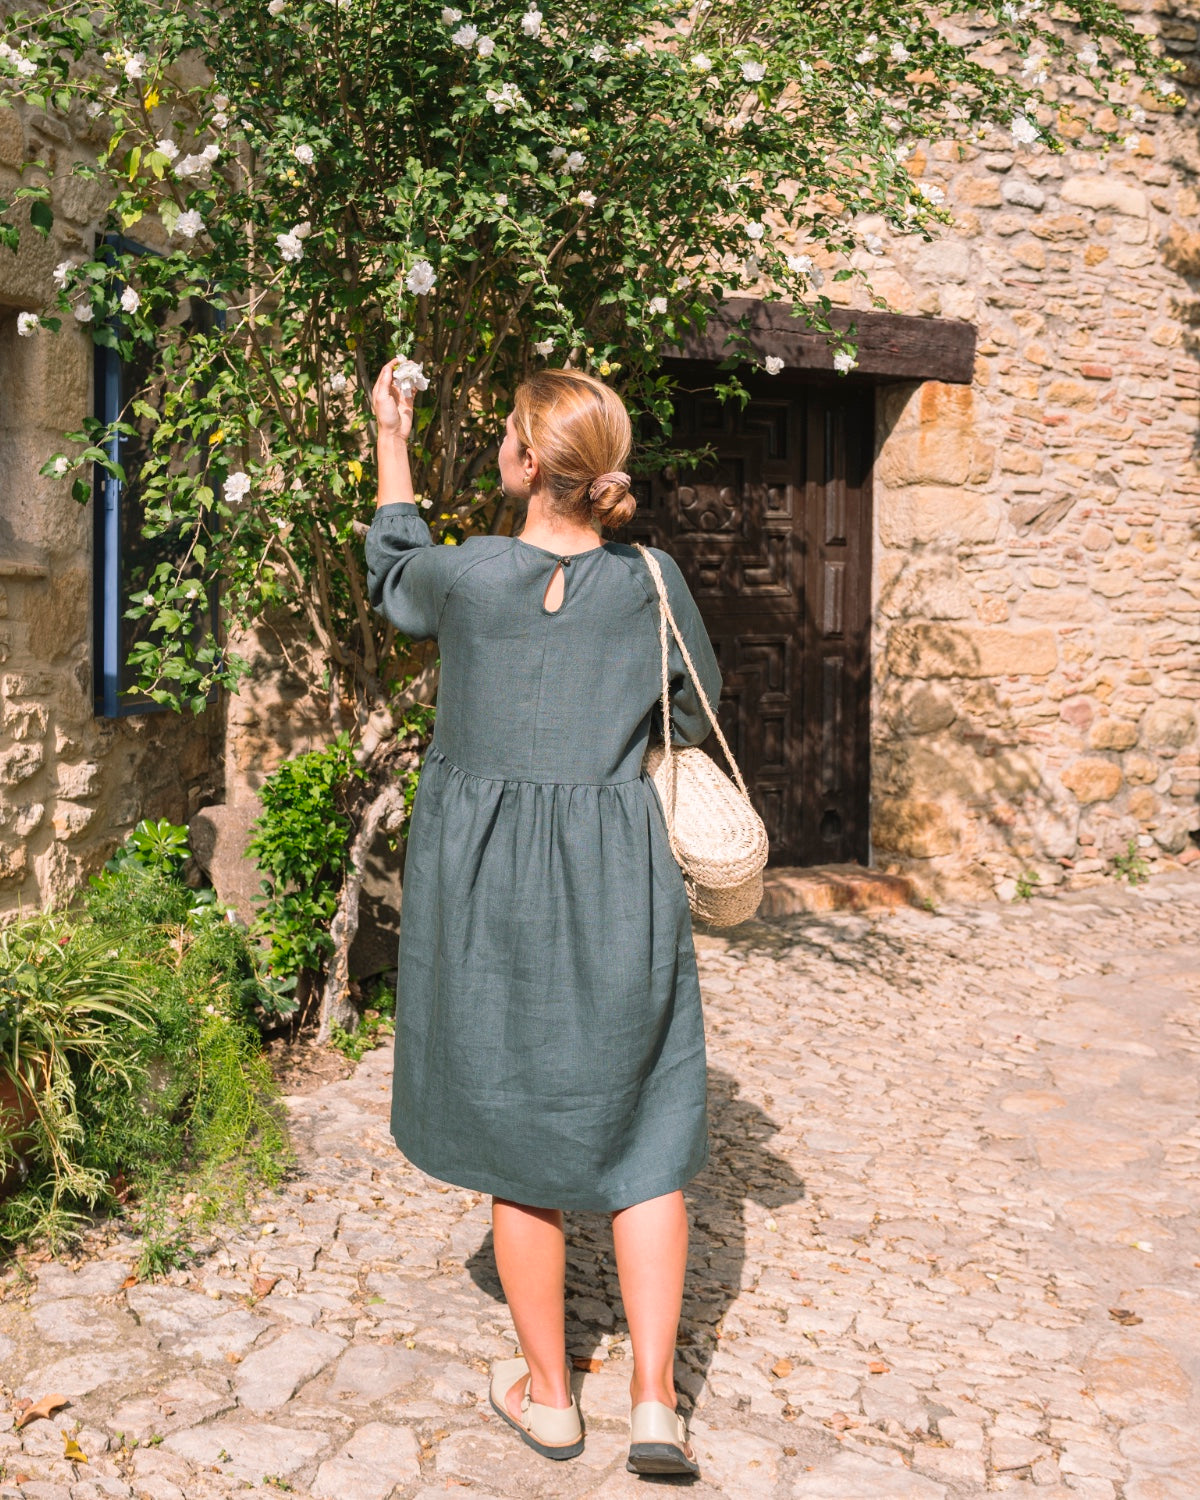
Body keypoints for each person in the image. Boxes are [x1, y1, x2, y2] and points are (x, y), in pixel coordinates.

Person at [364, 357, 721, 1476]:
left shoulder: (468, 578)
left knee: (516, 1141)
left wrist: (393, 435)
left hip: (489, 885)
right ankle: (656, 1407)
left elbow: (393, 575)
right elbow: (692, 715)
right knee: (649, 1135)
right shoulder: (653, 578)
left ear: (523, 462)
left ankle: (552, 1399)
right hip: (617, 871)